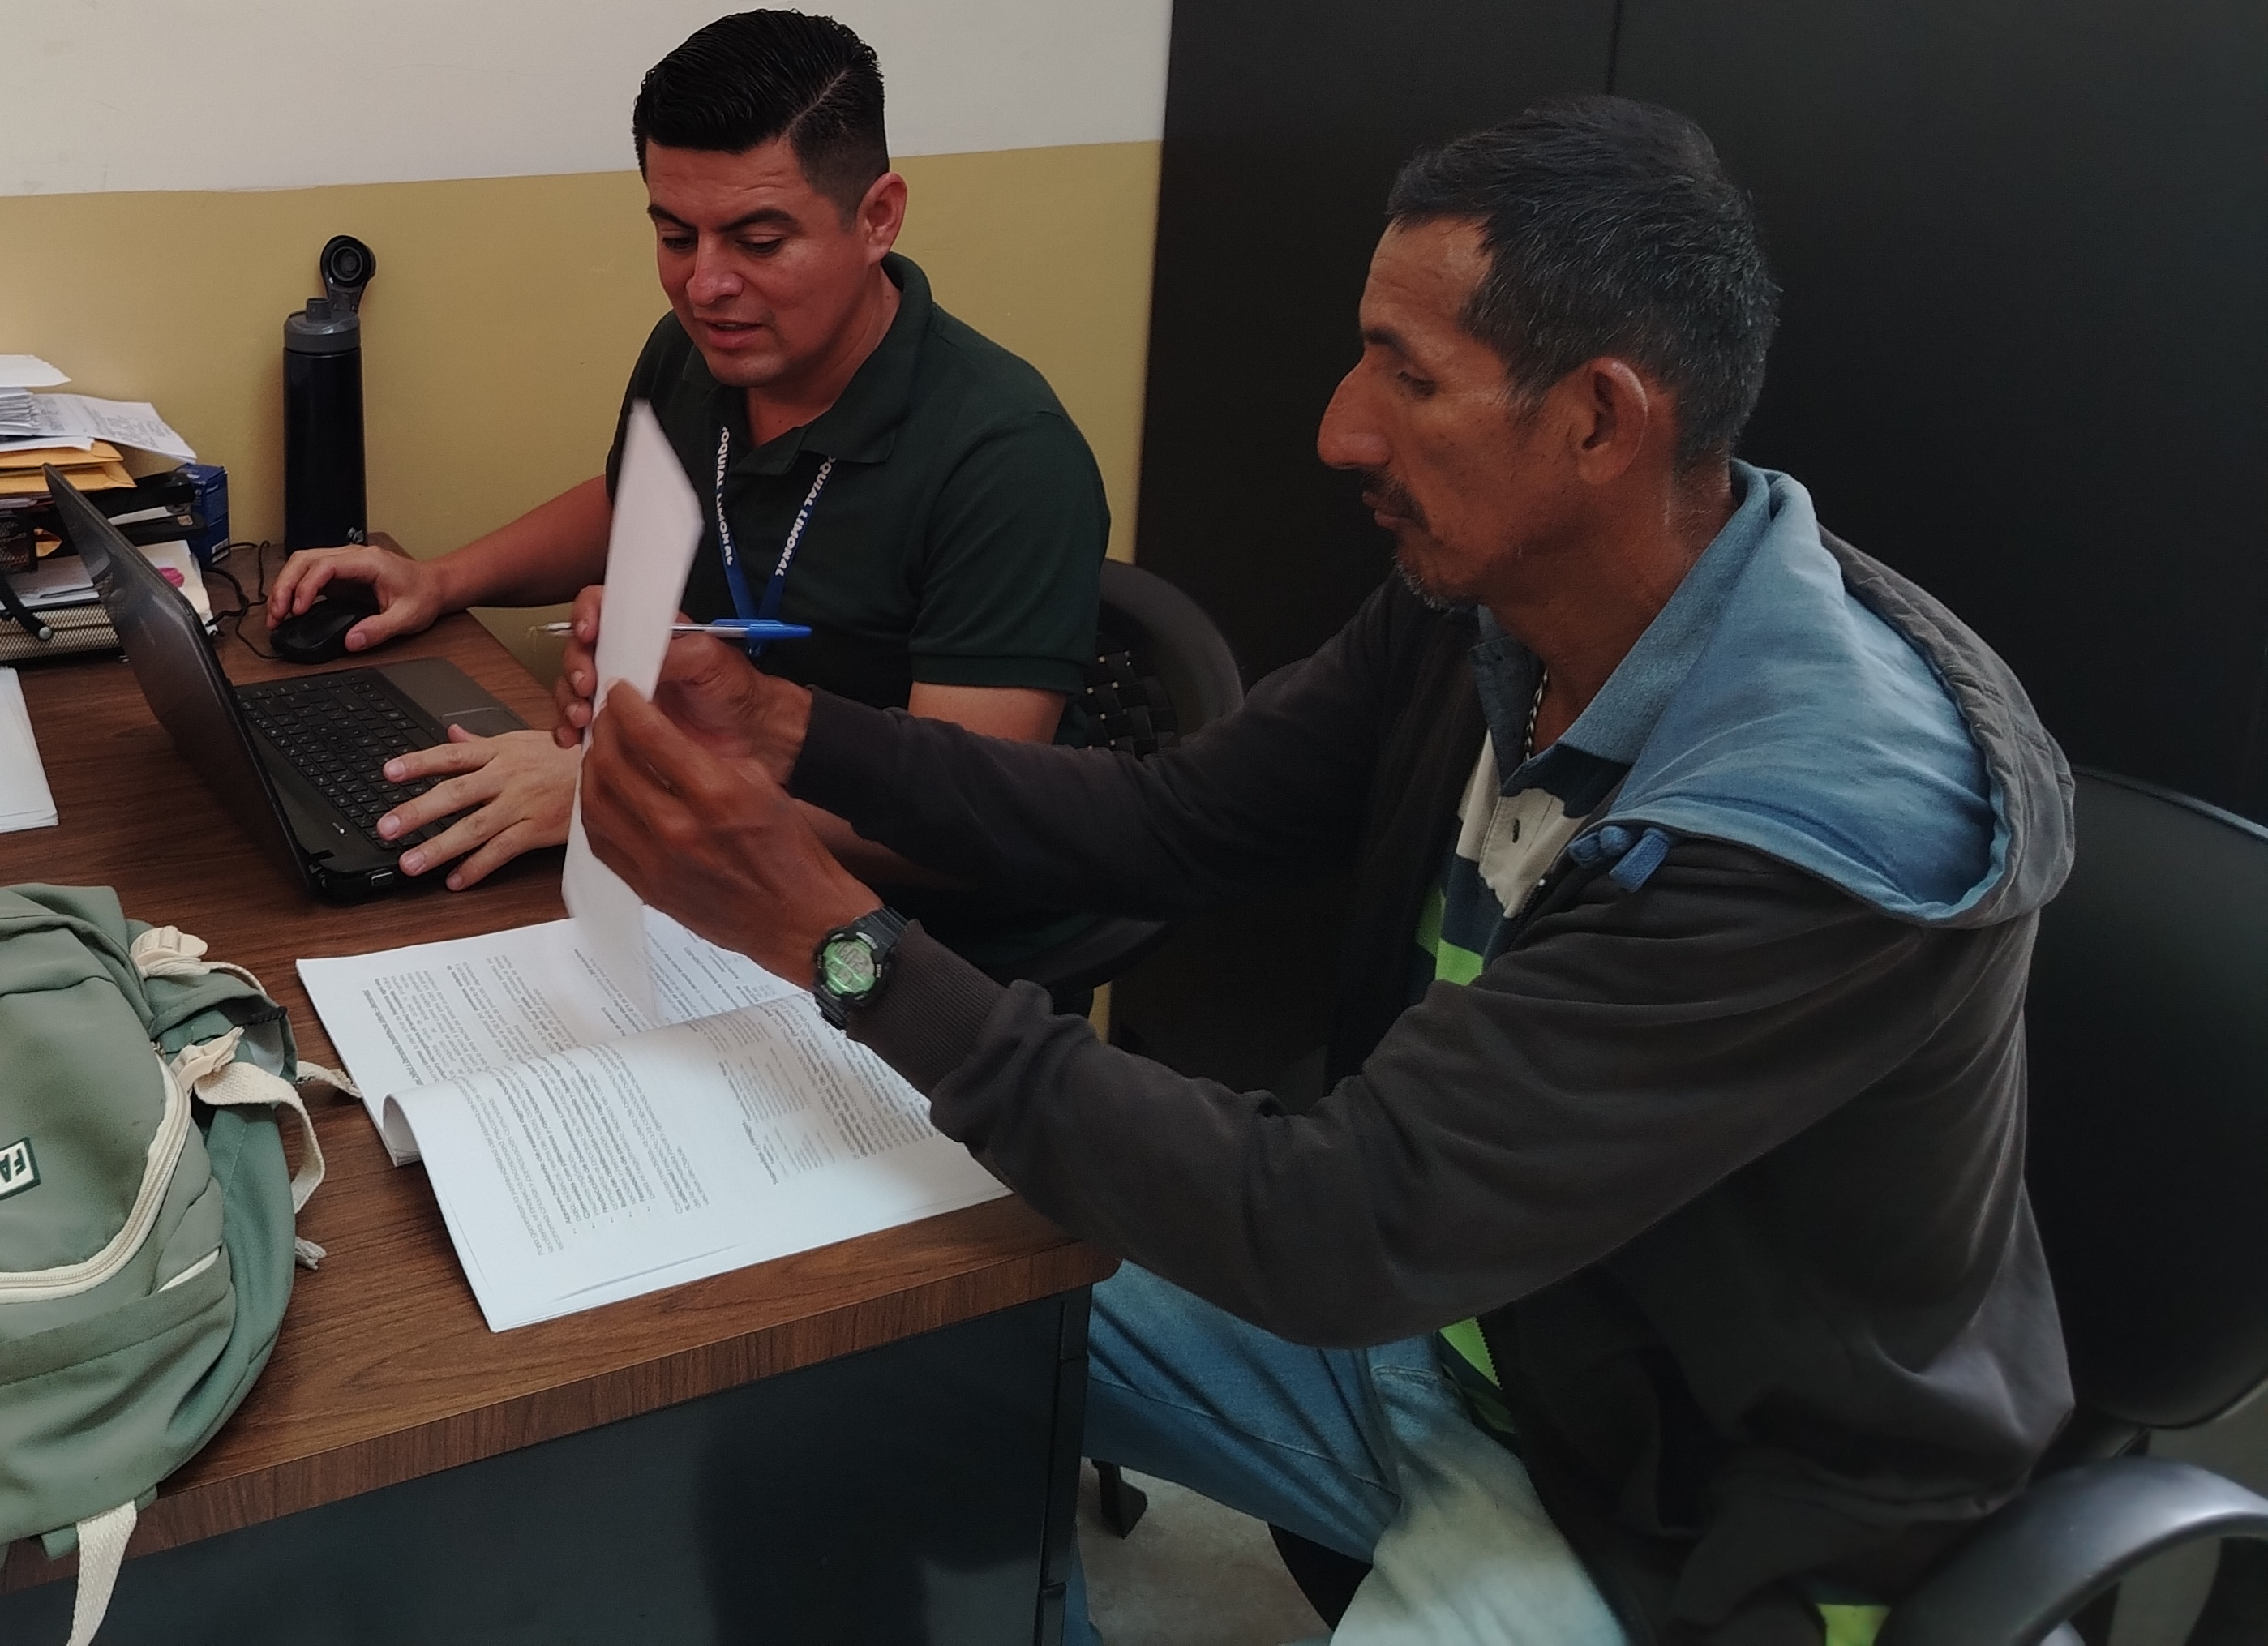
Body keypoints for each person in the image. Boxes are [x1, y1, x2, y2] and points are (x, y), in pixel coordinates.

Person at [573, 96, 2074, 1646]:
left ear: (1599, 422)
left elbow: (1340, 1227)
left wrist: (844, 946)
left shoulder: (1813, 834)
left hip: (1693, 1511)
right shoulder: (1491, 607)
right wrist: (797, 730)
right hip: (1461, 1331)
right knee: (841, 1361)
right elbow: (1170, 823)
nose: (1342, 429)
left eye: (1407, 376)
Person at [267, 9, 1111, 916]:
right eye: (675, 238)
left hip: (907, 943)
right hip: (695, 885)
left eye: (759, 243)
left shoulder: (1010, 459)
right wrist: (440, 580)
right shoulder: (697, 352)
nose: (705, 286)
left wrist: (623, 789)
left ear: (878, 218)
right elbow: (635, 502)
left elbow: (963, 824)